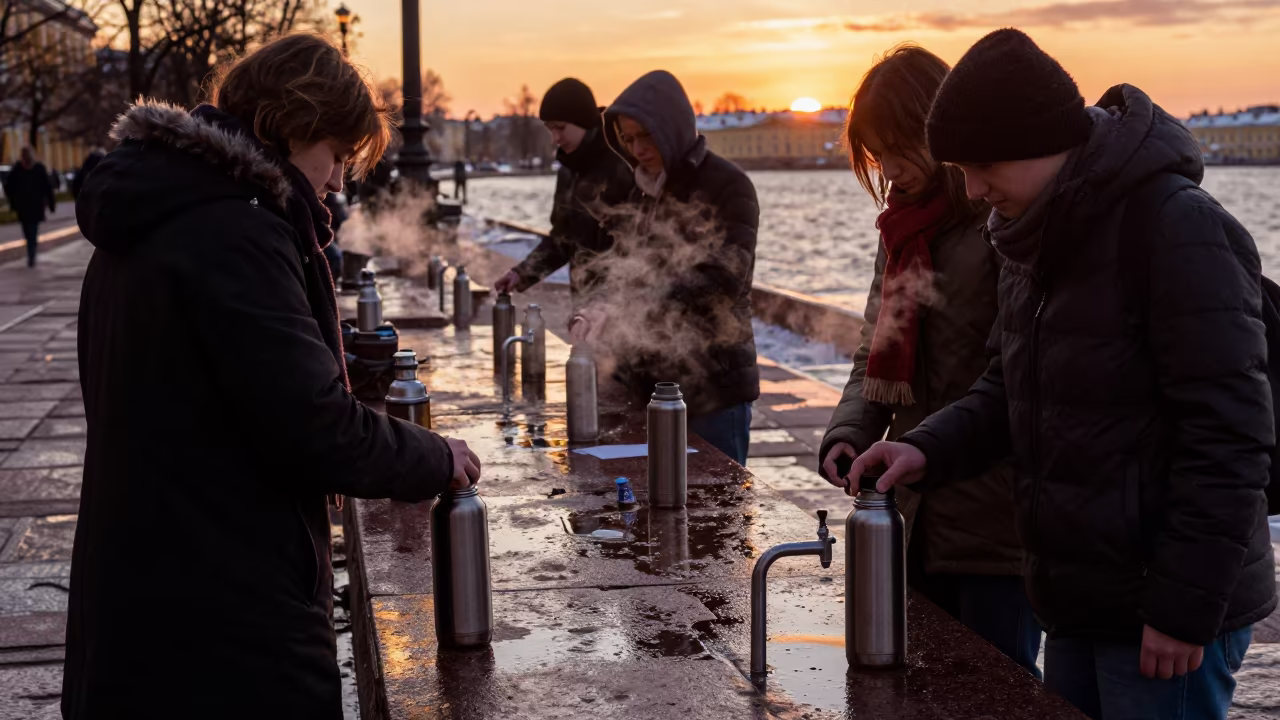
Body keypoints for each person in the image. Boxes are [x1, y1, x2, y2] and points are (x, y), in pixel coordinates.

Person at [850, 29, 1274, 719]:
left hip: (1161, 607)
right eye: (961, 168)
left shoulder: (1175, 228)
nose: (974, 189)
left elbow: (1230, 437)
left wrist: (1182, 607)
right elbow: (1008, 386)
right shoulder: (1030, 231)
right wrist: (927, 445)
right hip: (1078, 597)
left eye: (985, 166)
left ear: (1044, 141)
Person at [66, 34, 481, 718]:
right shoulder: (235, 230)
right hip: (223, 623)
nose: (341, 182)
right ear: (287, 125)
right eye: (337, 157)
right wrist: (434, 456)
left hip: (143, 601)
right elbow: (313, 423)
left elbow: (222, 376)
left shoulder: (162, 211)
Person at [819, 44, 1039, 677]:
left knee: (1002, 687)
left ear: (938, 128)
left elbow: (1014, 378)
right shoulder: (901, 230)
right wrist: (849, 431)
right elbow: (872, 350)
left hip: (995, 517)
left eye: (899, 146)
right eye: (875, 152)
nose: (888, 168)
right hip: (911, 505)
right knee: (922, 684)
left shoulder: (1002, 227)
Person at [590, 70, 760, 465]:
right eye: (627, 139)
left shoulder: (728, 185)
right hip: (647, 383)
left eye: (645, 136)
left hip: (714, 386)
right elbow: (623, 267)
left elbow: (723, 281)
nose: (637, 149)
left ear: (671, 127)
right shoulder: (641, 189)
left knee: (720, 510)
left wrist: (634, 302)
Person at [492, 78, 633, 303]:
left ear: (584, 121)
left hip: (621, 308)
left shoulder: (623, 165)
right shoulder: (568, 172)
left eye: (561, 127)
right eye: (550, 129)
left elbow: (634, 250)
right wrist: (521, 273)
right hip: (584, 305)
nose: (555, 138)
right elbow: (562, 240)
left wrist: (607, 304)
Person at [1, 147, 55, 268]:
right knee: (32, 231)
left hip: (24, 206)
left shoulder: (19, 169)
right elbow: (47, 188)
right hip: (33, 205)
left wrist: (13, 200)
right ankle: (32, 253)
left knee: (29, 230)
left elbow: (9, 187)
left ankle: (31, 254)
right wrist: (51, 204)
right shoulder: (35, 168)